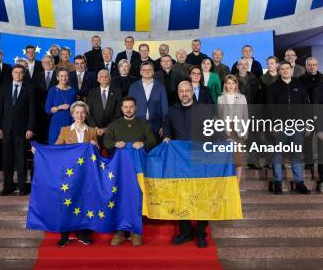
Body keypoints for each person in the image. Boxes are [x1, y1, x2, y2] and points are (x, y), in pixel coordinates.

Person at [162, 81, 219, 248]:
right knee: (182, 196)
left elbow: (215, 129)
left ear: (192, 92)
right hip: (180, 161)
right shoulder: (172, 110)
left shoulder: (204, 109)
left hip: (200, 159)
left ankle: (201, 233)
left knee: (202, 197)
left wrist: (224, 140)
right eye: (181, 91)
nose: (184, 94)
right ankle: (185, 232)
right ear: (178, 93)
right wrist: (166, 136)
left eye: (187, 91)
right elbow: (166, 127)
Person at [104, 96, 157, 247]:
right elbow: (106, 142)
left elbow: (153, 140)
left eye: (131, 107)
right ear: (121, 108)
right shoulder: (114, 125)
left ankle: (135, 232)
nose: (128, 109)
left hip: (138, 171)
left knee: (136, 198)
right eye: (125, 107)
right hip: (119, 171)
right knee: (120, 198)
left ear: (136, 108)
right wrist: (115, 143)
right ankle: (120, 232)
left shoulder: (143, 124)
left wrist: (144, 143)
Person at [53, 101, 99, 247]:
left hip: (86, 173)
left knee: (84, 202)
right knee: (67, 202)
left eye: (82, 112)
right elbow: (56, 148)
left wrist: (96, 145)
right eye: (77, 112)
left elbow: (96, 153)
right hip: (69, 173)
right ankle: (64, 235)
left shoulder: (91, 131)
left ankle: (83, 234)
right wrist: (41, 152)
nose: (80, 115)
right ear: (72, 114)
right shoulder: (65, 130)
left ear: (86, 114)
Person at [266, 61, 311, 195]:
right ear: (279, 71)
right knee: (278, 154)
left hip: (297, 126)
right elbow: (269, 109)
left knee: (296, 154)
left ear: (291, 70)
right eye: (282, 69)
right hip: (280, 126)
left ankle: (299, 183)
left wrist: (307, 123)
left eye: (287, 68)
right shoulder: (273, 87)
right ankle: (278, 183)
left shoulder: (299, 86)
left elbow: (306, 105)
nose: (285, 71)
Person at [0, 64, 36, 196]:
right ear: (12, 73)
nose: (18, 74)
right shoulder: (5, 87)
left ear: (24, 74)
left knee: (21, 159)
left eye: (20, 72)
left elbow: (32, 111)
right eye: (16, 72)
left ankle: (22, 186)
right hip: (6, 129)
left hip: (22, 130)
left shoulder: (29, 88)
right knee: (7, 159)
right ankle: (8, 186)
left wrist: (30, 128)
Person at [217, 74, 249, 183]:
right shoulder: (220, 99)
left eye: (233, 83)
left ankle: (237, 184)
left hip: (239, 131)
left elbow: (245, 116)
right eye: (228, 83)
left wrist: (245, 131)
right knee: (226, 159)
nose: (231, 85)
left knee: (238, 160)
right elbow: (219, 117)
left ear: (236, 85)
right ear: (225, 85)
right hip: (226, 131)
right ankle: (227, 185)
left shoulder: (242, 97)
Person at [128, 61, 169, 136]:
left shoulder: (160, 87)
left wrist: (163, 126)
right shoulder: (133, 87)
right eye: (144, 70)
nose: (147, 72)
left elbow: (165, 108)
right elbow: (129, 106)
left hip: (156, 126)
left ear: (153, 72)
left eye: (149, 70)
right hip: (137, 125)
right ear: (140, 72)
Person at [300, 57, 323, 171]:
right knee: (307, 138)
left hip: (321, 113)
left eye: (314, 64)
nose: (312, 66)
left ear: (317, 65)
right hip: (307, 113)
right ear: (306, 66)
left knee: (322, 139)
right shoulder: (300, 80)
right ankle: (308, 160)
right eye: (309, 65)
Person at [86, 70, 122, 145]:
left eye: (106, 76)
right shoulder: (91, 92)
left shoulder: (117, 92)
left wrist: (108, 128)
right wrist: (95, 128)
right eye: (102, 76)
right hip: (95, 130)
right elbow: (88, 113)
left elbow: (118, 113)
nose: (104, 78)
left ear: (110, 78)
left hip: (111, 130)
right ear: (98, 79)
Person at [45, 68, 77, 145]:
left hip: (70, 121)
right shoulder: (52, 90)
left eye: (66, 76)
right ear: (57, 77)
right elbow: (47, 109)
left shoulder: (72, 90)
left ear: (68, 77)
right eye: (61, 76)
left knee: (70, 146)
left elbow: (75, 108)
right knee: (55, 144)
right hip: (57, 122)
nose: (64, 78)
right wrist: (59, 107)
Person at [32, 55, 57, 143]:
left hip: (55, 111)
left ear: (53, 63)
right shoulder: (36, 77)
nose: (47, 63)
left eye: (49, 61)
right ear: (42, 64)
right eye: (44, 62)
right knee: (40, 136)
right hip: (40, 111)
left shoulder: (59, 76)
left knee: (54, 136)